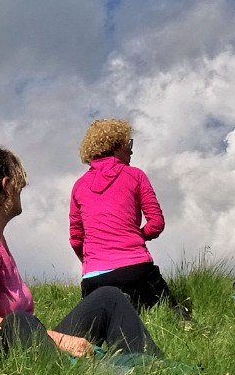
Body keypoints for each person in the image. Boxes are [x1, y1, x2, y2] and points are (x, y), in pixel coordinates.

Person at [0, 146, 164, 370]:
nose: (23, 189)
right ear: (6, 186)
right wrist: (61, 340)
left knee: (108, 298)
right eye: (20, 182)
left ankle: (156, 373)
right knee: (20, 322)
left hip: (20, 353)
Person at [68, 118, 186, 317]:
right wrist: (135, 236)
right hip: (135, 269)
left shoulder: (79, 186)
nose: (131, 151)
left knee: (103, 332)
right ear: (114, 147)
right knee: (177, 318)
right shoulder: (135, 175)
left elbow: (76, 239)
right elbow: (156, 223)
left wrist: (92, 260)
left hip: (93, 278)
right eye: (128, 144)